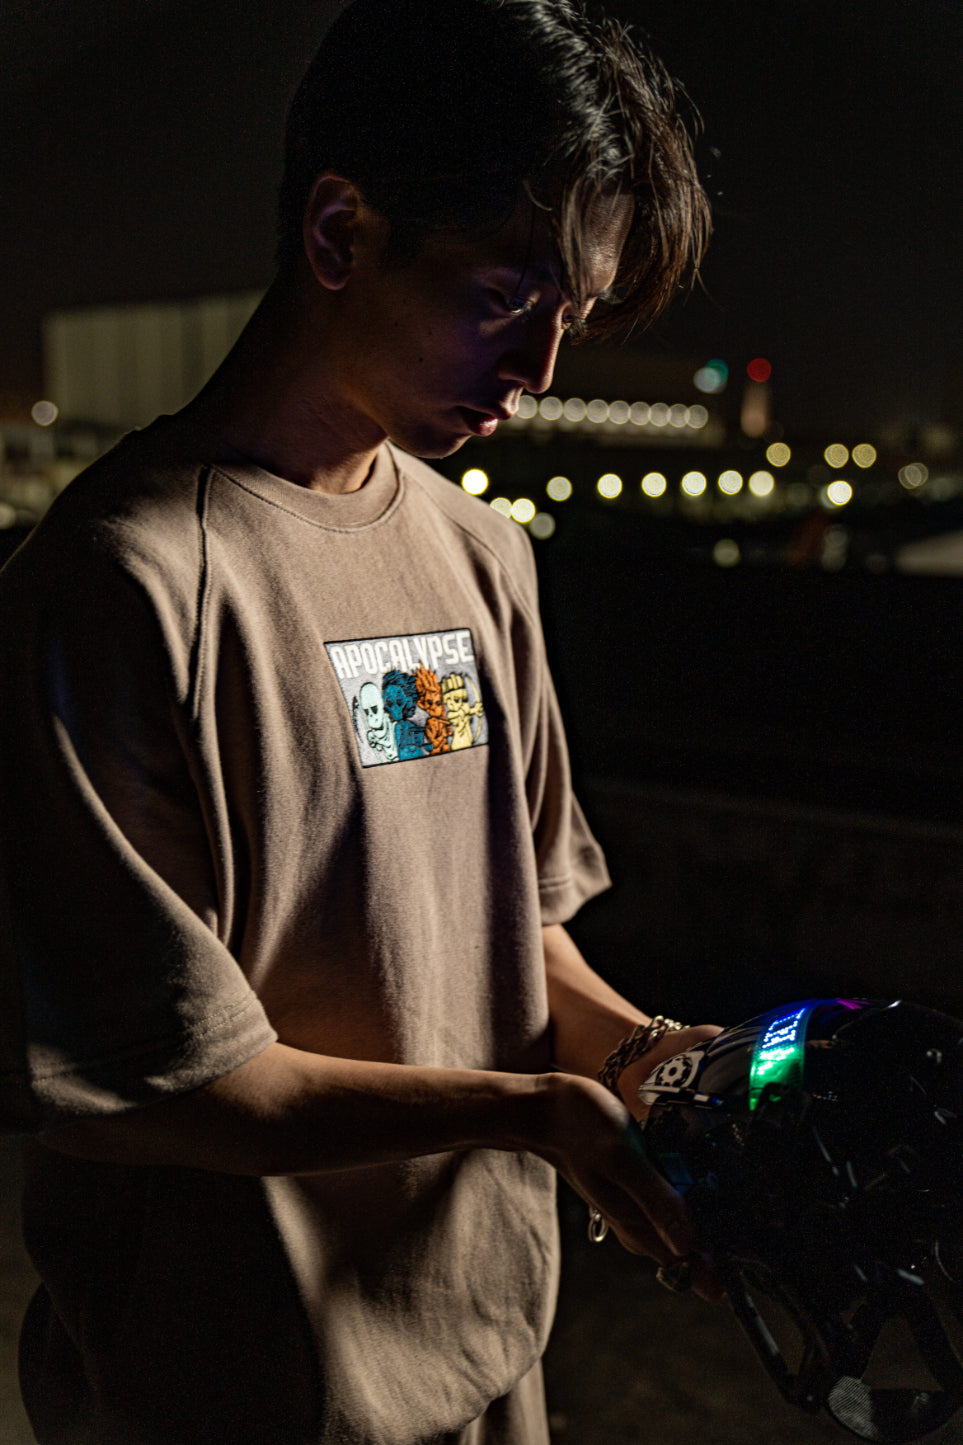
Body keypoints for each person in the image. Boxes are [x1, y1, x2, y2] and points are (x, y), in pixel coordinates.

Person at [0, 2, 715, 1441]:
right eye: (508, 294)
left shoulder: (481, 557)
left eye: (573, 316)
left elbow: (512, 933)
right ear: (341, 233)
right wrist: (528, 1111)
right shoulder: (121, 587)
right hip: (231, 1390)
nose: (544, 368)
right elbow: (170, 1085)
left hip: (488, 1357)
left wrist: (647, 1054)